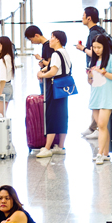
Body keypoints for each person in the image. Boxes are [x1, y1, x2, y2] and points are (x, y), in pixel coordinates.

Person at [84, 35, 112, 167]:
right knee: (101, 126)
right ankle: (105, 154)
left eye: (99, 47)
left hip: (107, 96)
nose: (96, 50)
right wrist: (90, 76)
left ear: (105, 46)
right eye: (94, 47)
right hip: (96, 96)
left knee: (102, 124)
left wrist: (103, 72)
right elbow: (91, 82)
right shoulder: (94, 60)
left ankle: (99, 153)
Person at [36, 30, 72, 158]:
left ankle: (47, 147)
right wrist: (44, 70)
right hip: (64, 88)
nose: (49, 40)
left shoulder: (56, 53)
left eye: (52, 37)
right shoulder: (65, 52)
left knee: (51, 115)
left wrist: (42, 75)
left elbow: (53, 71)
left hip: (55, 87)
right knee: (62, 115)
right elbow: (52, 66)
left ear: (57, 39)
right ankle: (60, 146)